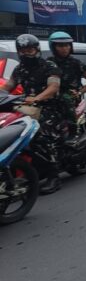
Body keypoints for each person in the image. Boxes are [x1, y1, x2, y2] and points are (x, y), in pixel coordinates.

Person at [0, 34, 64, 194]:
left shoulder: (49, 66)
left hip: (50, 107)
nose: (27, 53)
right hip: (27, 107)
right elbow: (8, 86)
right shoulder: (19, 69)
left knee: (42, 135)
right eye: (23, 50)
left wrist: (37, 98)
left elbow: (53, 88)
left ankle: (54, 176)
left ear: (37, 49)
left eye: (30, 49)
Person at [46, 31, 86, 135]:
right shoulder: (48, 63)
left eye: (67, 45)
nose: (65, 48)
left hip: (70, 100)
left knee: (67, 102)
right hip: (51, 99)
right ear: (53, 47)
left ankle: (72, 136)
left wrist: (79, 92)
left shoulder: (76, 63)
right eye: (60, 46)